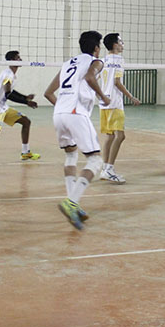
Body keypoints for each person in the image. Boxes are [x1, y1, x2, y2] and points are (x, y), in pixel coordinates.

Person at [44, 30, 111, 230]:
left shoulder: (67, 64)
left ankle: (73, 202)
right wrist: (103, 97)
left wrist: (62, 109)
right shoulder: (95, 61)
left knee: (71, 156)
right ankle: (71, 202)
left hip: (59, 114)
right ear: (97, 48)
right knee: (95, 159)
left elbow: (48, 93)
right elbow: (91, 78)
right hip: (76, 112)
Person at [98, 33, 141, 184]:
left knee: (110, 136)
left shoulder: (102, 60)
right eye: (121, 42)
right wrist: (131, 96)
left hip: (103, 103)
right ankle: (109, 169)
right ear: (115, 45)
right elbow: (117, 81)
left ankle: (105, 169)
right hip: (115, 103)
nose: (123, 45)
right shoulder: (119, 59)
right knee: (120, 136)